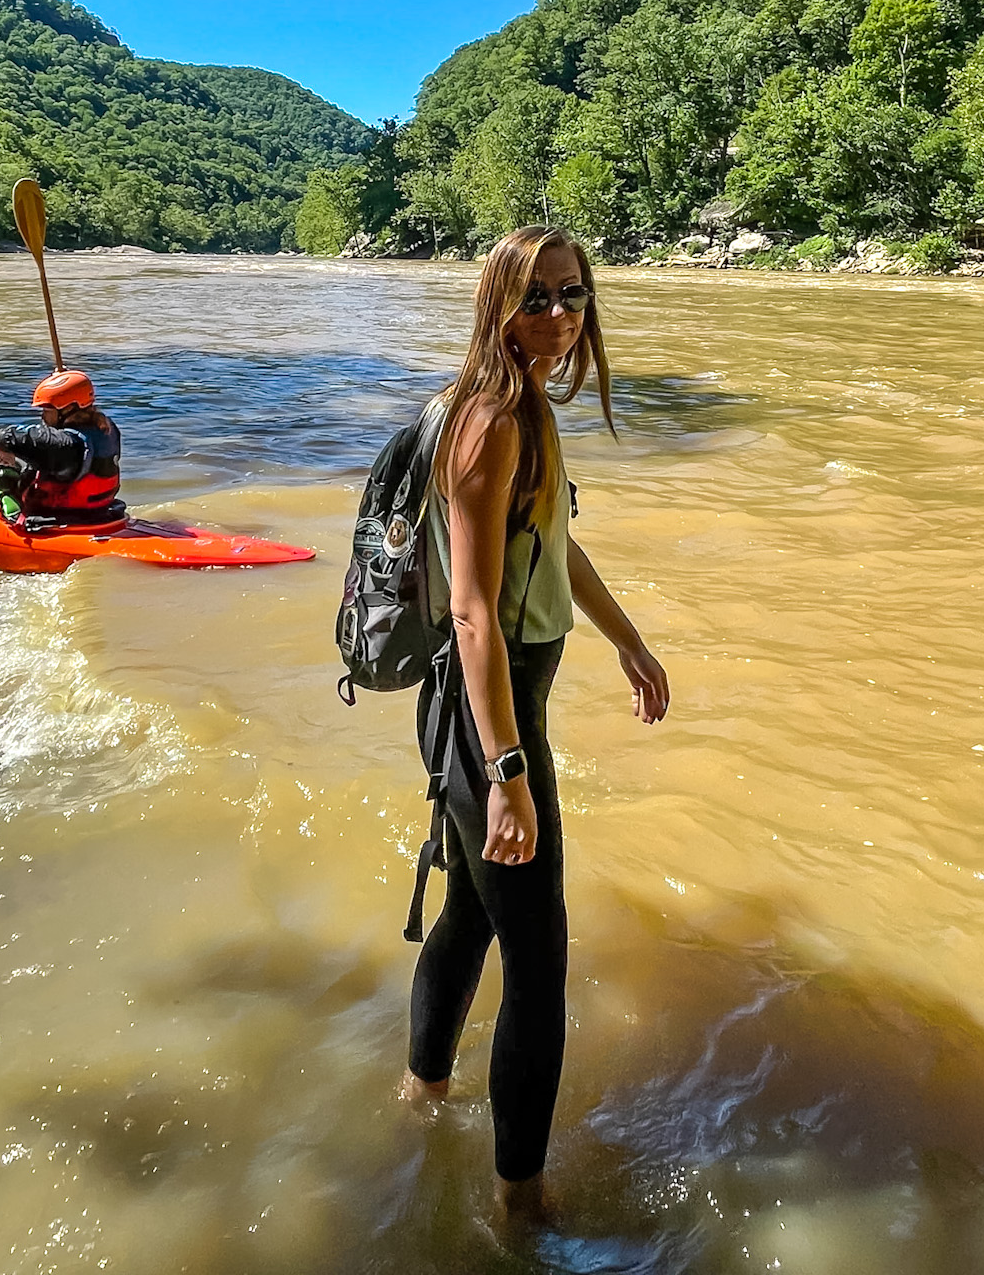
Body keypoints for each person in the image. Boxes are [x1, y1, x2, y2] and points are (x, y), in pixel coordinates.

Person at [401, 225, 669, 1226]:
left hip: (496, 703)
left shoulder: (526, 412)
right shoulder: (492, 420)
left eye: (572, 295)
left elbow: (555, 542)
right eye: (537, 297)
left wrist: (628, 638)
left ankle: (419, 1093)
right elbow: (473, 609)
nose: (558, 315)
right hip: (491, 710)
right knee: (541, 963)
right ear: (496, 305)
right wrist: (509, 769)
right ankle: (520, 1198)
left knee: (473, 913)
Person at [0, 370, 124, 527]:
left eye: (47, 410)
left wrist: (3, 446)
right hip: (99, 513)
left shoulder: (56, 444)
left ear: (68, 409)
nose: (43, 416)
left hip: (55, 519)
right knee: (21, 465)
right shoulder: (107, 428)